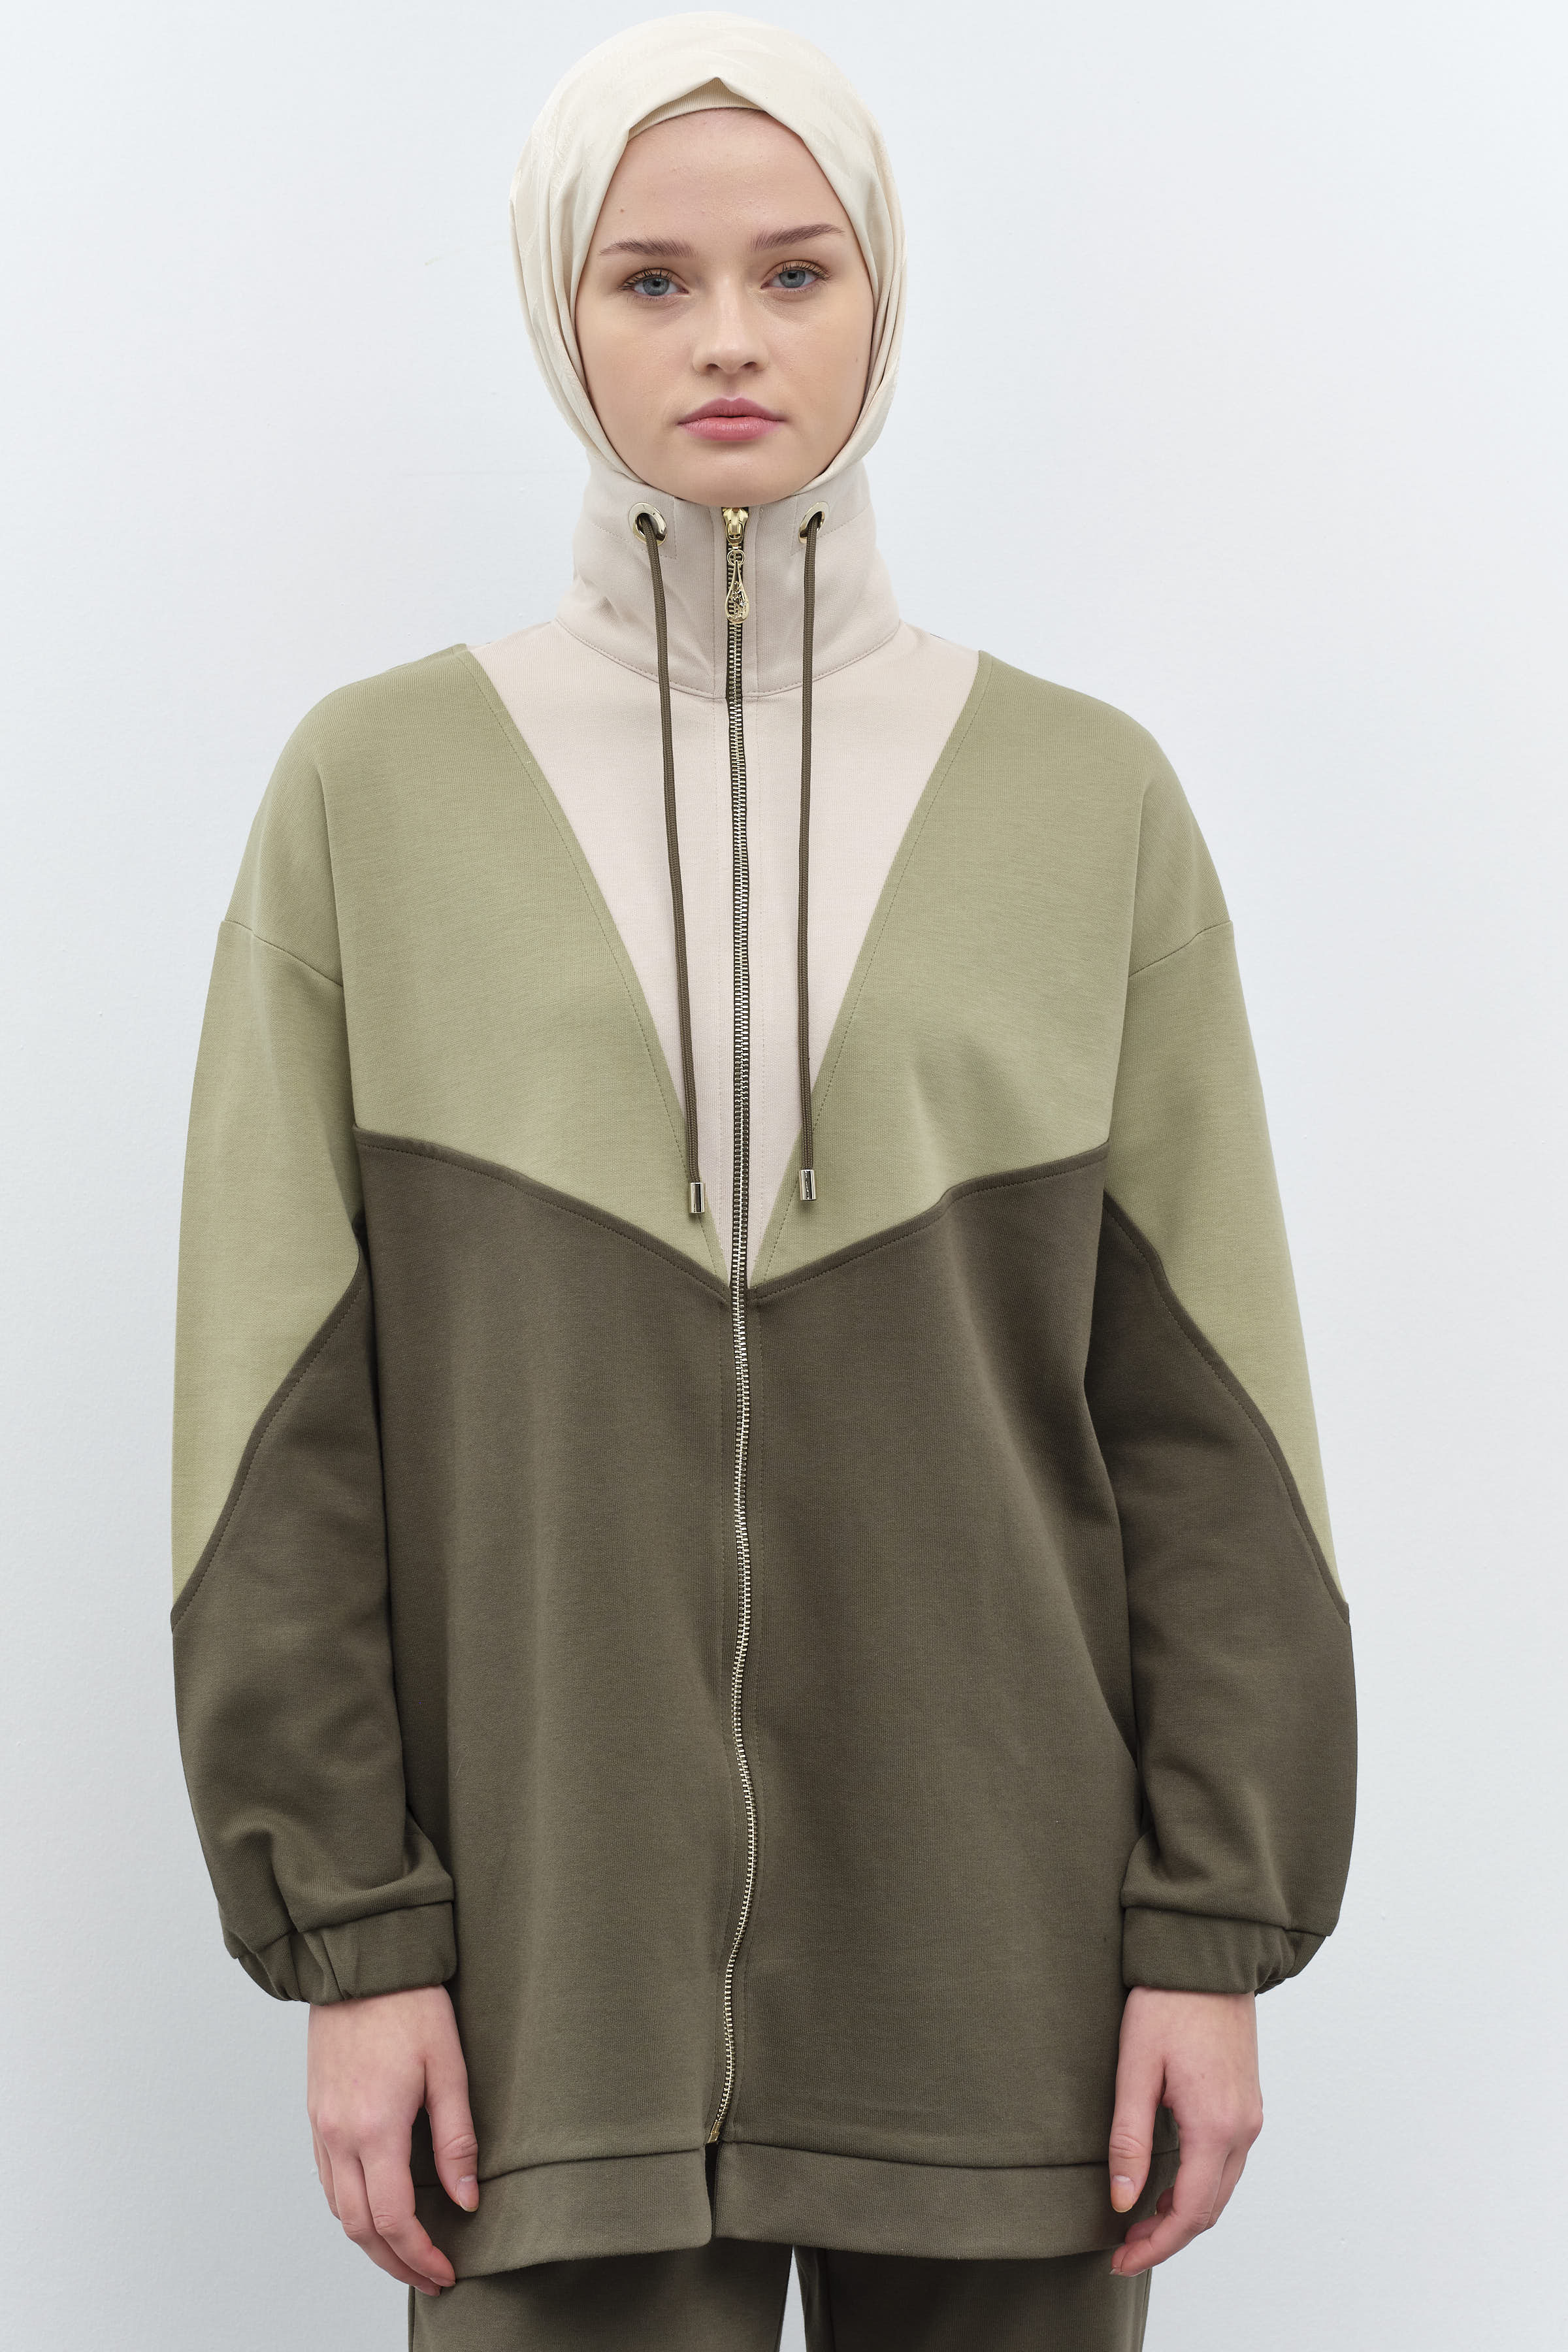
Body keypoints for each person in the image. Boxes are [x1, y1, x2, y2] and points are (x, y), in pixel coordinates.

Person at [169, 15, 1357, 2349]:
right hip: (546, 1989)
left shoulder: (1088, 799)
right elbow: (274, 1428)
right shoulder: (372, 790)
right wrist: (355, 1941)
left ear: (881, 297)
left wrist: (1209, 1933)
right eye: (654, 280)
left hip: (1010, 1970)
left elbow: (1211, 1421)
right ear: (561, 310)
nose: (729, 336)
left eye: (796, 271)